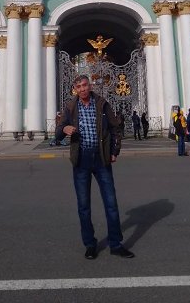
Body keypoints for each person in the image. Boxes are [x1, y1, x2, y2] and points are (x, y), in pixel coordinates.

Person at [55, 75, 134, 259]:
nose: (82, 89)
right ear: (75, 89)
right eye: (79, 87)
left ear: (89, 86)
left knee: (111, 203)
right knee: (84, 206)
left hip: (101, 158)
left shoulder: (102, 104)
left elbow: (115, 128)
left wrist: (115, 150)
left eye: (85, 85)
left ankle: (116, 244)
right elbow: (58, 133)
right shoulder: (70, 107)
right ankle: (90, 244)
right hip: (81, 159)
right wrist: (64, 129)